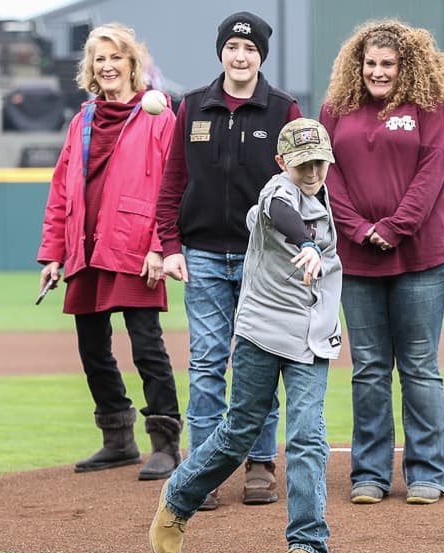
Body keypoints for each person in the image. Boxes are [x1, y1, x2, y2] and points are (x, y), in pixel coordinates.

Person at [150, 117, 341, 553]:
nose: (312, 172)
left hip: (312, 335)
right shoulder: (277, 192)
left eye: (319, 162)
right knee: (240, 431)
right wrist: (308, 243)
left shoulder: (329, 194)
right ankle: (178, 500)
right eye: (302, 165)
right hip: (262, 330)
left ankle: (307, 545)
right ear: (282, 163)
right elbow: (280, 213)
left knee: (306, 433)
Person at [156, 11, 302, 509]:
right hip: (201, 255)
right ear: (221, 52)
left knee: (258, 363)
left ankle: (260, 463)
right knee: (206, 363)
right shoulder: (193, 105)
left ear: (261, 55)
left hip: (264, 259)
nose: (241, 57)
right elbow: (173, 180)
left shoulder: (284, 109)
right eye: (233, 48)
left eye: (251, 50)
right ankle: (204, 468)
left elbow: (303, 185)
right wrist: (169, 246)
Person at [319, 20, 444, 505]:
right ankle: (370, 474)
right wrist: (361, 230)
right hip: (357, 258)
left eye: (387, 63)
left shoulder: (429, 106)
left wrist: (394, 227)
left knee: (420, 367)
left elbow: (434, 167)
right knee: (369, 368)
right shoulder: (337, 108)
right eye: (370, 63)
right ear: (357, 66)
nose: (377, 72)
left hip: (421, 254)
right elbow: (327, 176)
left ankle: (426, 471)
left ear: (406, 66)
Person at [36, 23, 182, 481]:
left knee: (147, 347)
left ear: (132, 65)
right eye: (100, 59)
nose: (108, 65)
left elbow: (173, 186)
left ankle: (164, 441)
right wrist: (53, 254)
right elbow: (62, 190)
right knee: (92, 348)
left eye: (116, 57)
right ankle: (117, 437)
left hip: (136, 247)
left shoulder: (158, 116)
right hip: (85, 245)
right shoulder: (82, 120)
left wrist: (160, 247)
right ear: (91, 70)